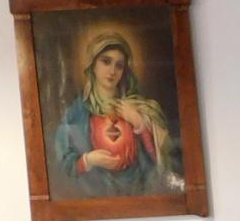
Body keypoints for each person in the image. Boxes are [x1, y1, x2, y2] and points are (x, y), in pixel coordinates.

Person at [53, 31, 179, 198]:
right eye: (106, 61)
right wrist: (88, 160)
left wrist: (140, 124)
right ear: (92, 64)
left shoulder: (139, 107)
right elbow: (63, 161)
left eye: (119, 65)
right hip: (95, 193)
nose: (112, 71)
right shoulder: (76, 112)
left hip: (138, 191)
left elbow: (162, 160)